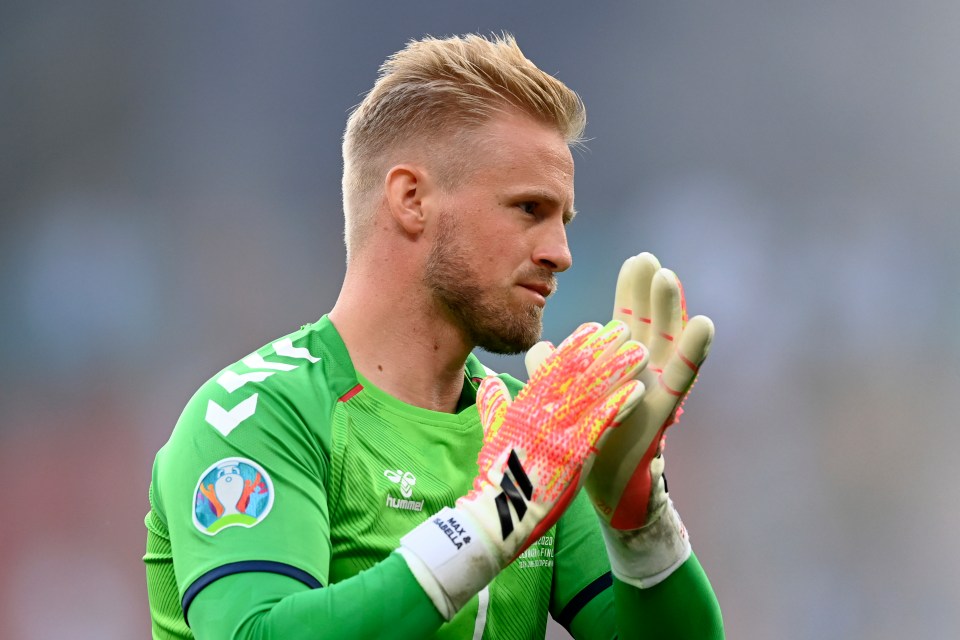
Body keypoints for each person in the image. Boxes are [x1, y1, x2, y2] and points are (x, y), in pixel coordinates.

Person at [144, 33, 725, 639]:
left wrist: (639, 518)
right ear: (411, 199)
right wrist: (490, 523)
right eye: (529, 208)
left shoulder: (532, 432)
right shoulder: (256, 414)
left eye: (563, 220)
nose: (561, 253)